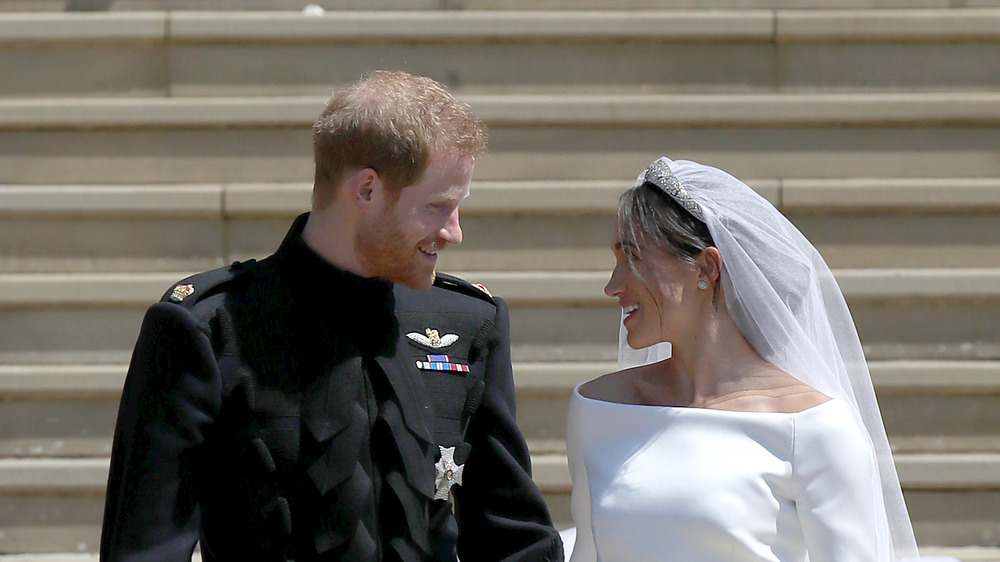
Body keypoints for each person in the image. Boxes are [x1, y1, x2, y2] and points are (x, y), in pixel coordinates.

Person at [100, 70, 563, 562]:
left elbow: (514, 540)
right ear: (366, 190)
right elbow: (143, 549)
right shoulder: (208, 329)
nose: (454, 233)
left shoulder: (467, 321)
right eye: (437, 207)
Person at [563, 157, 946, 561]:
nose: (612, 286)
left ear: (707, 268)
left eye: (633, 259)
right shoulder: (595, 410)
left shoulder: (817, 429)